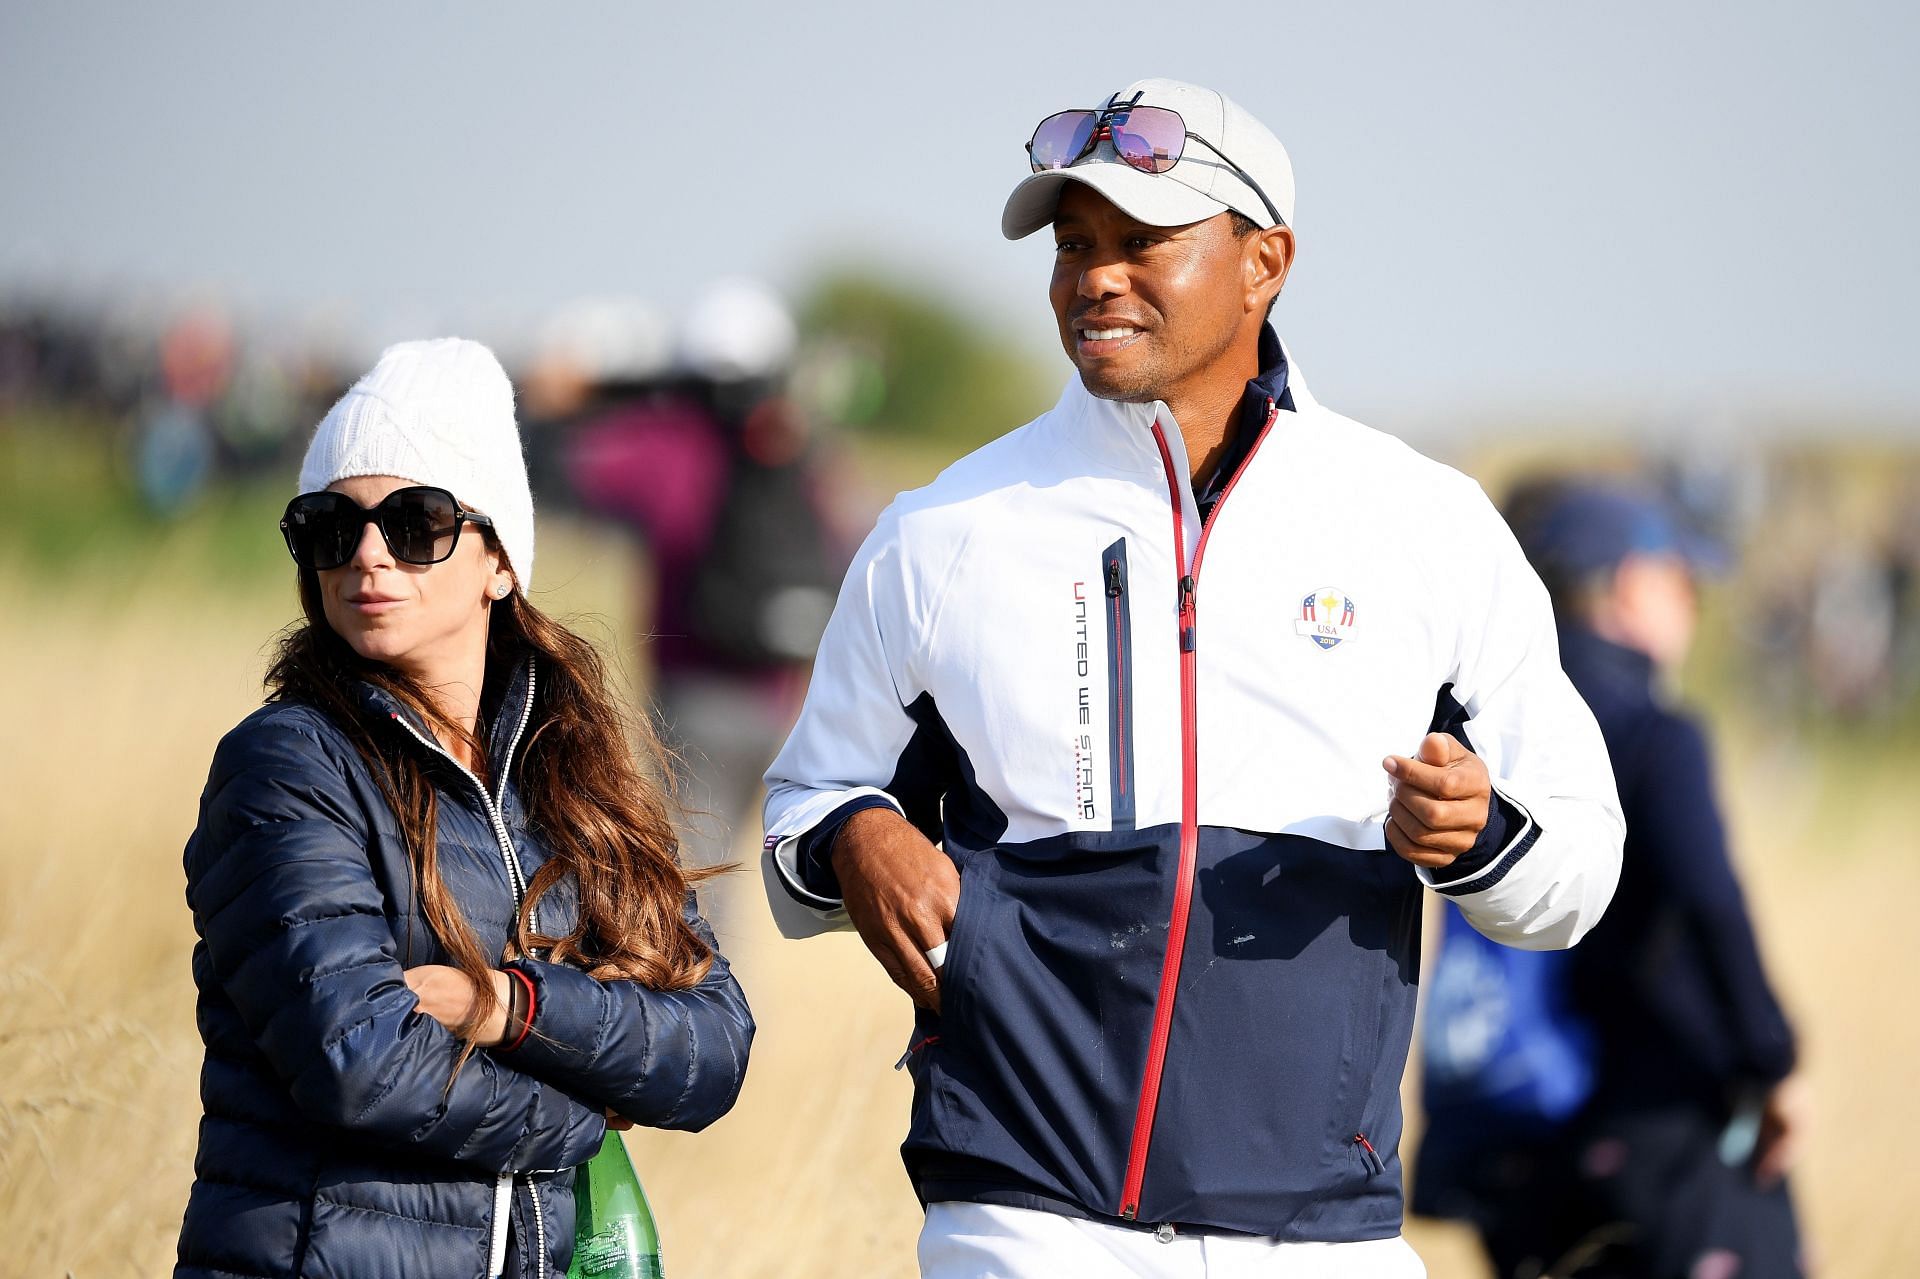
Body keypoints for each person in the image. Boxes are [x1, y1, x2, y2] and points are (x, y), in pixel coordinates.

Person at [760, 78, 1624, 1277]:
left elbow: (1579, 867)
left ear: (1265, 260)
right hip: (1023, 1221)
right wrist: (855, 834)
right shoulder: (941, 531)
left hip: (1324, 1233)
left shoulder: (1426, 524)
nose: (1094, 277)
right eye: (1073, 245)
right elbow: (798, 820)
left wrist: (1478, 833)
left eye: (1142, 240)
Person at [176, 338, 754, 1279]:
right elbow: (358, 1062)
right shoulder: (286, 763)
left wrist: (511, 1007)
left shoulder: (570, 776)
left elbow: (715, 1040)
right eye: (330, 525)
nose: (368, 553)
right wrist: (586, 1111)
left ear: (499, 563)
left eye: (416, 522)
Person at [1417, 482, 1807, 1279]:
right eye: (1682, 580)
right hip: (1653, 1132)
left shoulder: (1485, 729)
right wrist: (1769, 1057)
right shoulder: (1653, 731)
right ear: (1631, 586)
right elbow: (1709, 899)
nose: (1693, 604)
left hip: (1516, 1150)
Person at [566, 280, 846, 882]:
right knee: (728, 870)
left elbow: (580, 469)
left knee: (693, 884)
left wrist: (626, 390)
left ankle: (710, 981)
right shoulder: (793, 445)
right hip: (781, 700)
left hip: (693, 698)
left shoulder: (668, 447)